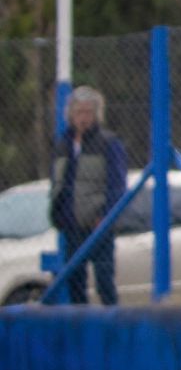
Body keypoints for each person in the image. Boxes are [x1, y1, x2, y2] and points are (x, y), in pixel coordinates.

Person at [49, 86, 126, 305]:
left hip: (98, 225)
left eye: (88, 112)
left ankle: (111, 321)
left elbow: (117, 185)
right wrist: (57, 213)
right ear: (70, 115)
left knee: (104, 281)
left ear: (96, 114)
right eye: (79, 112)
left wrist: (105, 216)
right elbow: (57, 182)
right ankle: (80, 323)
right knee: (74, 281)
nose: (83, 118)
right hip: (71, 226)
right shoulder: (62, 145)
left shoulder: (108, 143)